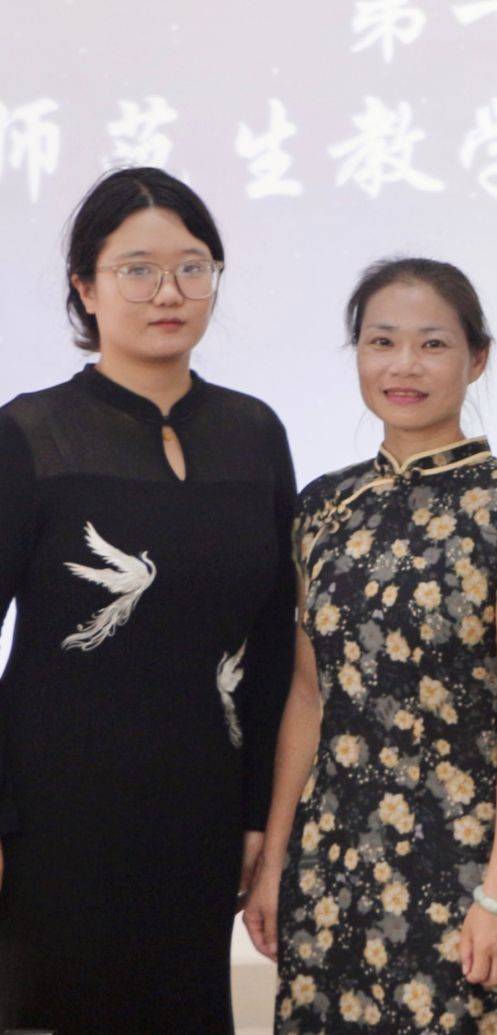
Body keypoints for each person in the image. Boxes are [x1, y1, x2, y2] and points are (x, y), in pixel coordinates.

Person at [0, 167, 298, 1034]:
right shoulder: (30, 433)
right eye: (137, 269)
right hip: (52, 823)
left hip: (201, 820)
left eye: (192, 267)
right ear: (85, 288)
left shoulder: (254, 432)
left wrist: (260, 817)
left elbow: (276, 641)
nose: (168, 292)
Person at [245, 258, 497, 1033]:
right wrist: (276, 858)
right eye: (381, 341)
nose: (404, 365)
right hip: (329, 865)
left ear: (476, 358)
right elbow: (308, 695)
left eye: (432, 344)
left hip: (459, 871)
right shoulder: (323, 507)